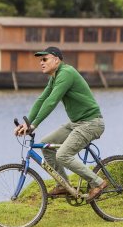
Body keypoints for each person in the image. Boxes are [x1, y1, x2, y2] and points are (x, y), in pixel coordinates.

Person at [13, 46, 108, 202]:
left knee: (63, 155)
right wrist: (27, 123)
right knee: (45, 145)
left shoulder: (66, 73)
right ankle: (63, 184)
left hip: (91, 123)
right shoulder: (55, 77)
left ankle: (98, 182)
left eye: (45, 59)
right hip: (77, 123)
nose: (41, 62)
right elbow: (41, 100)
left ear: (56, 60)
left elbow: (51, 102)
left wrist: (34, 125)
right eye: (40, 60)